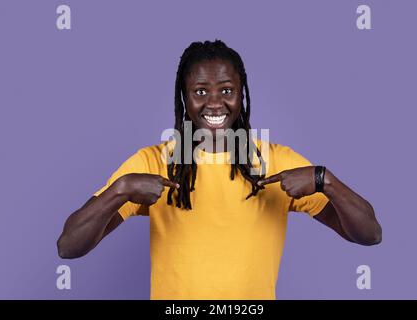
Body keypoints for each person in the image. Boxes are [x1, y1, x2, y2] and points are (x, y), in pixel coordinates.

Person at [57, 40, 382, 300]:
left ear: (241, 95)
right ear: (184, 98)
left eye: (226, 90)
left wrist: (325, 180)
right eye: (200, 91)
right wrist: (121, 189)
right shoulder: (153, 162)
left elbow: (369, 235)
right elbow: (69, 246)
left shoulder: (275, 161)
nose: (214, 103)